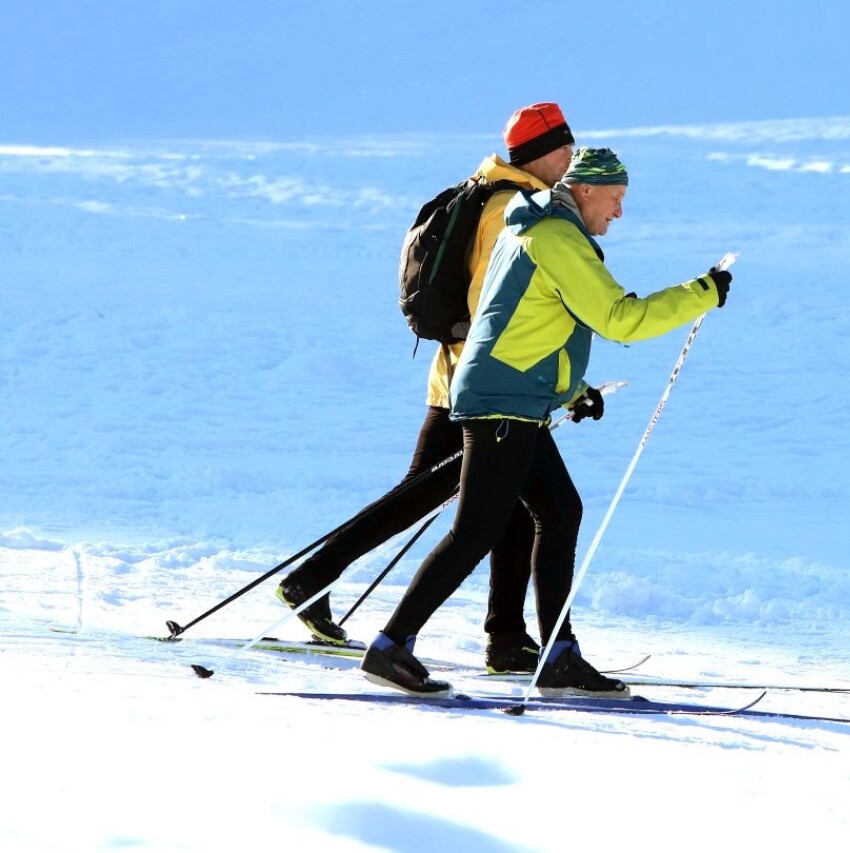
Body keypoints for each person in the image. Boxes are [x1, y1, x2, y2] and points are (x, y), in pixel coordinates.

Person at [359, 147, 733, 697]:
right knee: (476, 532)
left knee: (560, 510)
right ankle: (391, 647)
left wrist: (570, 389)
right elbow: (618, 319)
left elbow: (524, 323)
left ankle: (557, 654)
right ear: (585, 190)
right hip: (502, 403)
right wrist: (700, 294)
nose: (620, 213)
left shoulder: (540, 230)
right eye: (617, 199)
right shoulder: (555, 238)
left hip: (515, 397)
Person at [276, 103, 577, 673]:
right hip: (484, 383)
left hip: (466, 375)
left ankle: (505, 636)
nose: (569, 159)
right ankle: (495, 636)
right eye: (564, 148)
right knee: (443, 498)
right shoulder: (509, 207)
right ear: (540, 152)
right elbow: (494, 307)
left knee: (480, 499)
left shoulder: (491, 192)